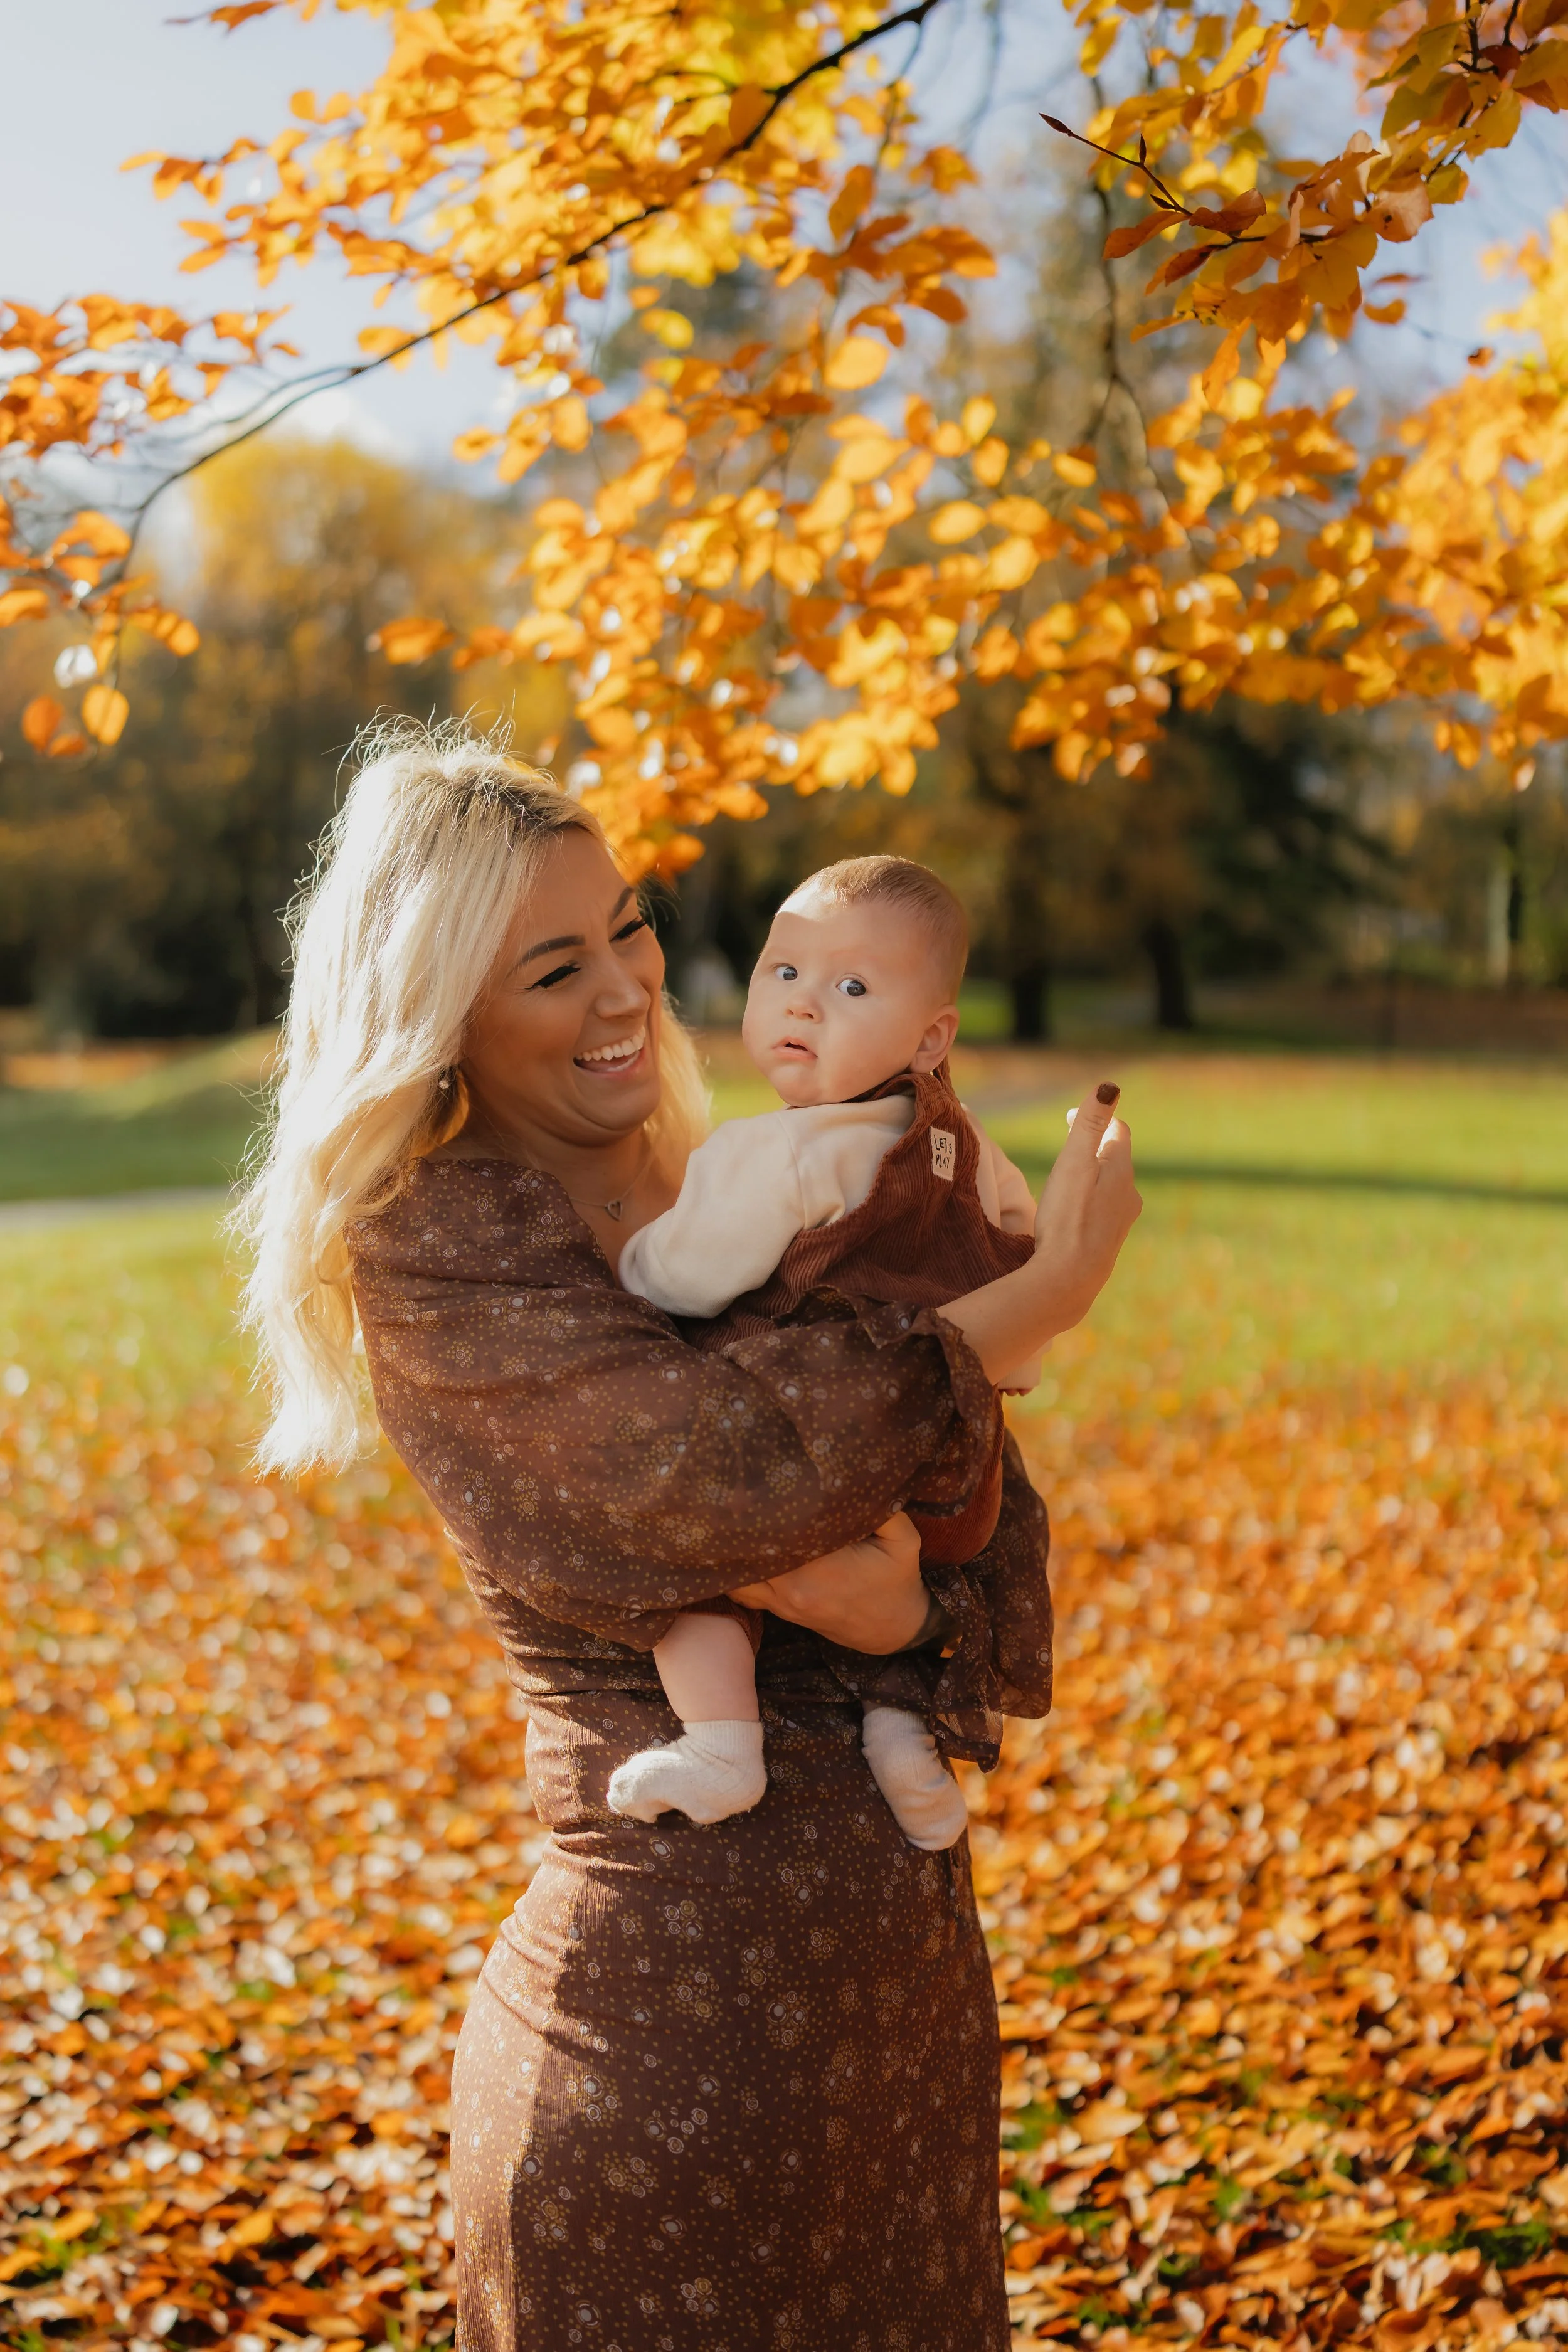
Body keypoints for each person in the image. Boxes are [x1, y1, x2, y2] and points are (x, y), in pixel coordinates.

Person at [237, 718, 1140, 2352]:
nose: (624, 989)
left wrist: (913, 1616)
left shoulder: (717, 1177)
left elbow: (977, 1534)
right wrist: (1037, 1302)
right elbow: (729, 1476)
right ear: (437, 1012)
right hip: (655, 2071)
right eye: (551, 965)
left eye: (632, 924)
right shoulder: (443, 1239)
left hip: (901, 2044)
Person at [608, 853, 1059, 1850]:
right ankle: (904, 1736)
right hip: (955, 1470)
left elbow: (683, 1274)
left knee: (689, 1549)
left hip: (818, 1445)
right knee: (889, 1598)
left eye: (850, 987)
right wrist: (1007, 1363)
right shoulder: (969, 1142)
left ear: (932, 1034)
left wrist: (622, 1268)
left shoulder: (776, 1151)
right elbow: (1018, 1242)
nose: (804, 1006)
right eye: (784, 974)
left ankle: (723, 1740)